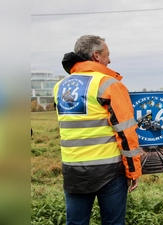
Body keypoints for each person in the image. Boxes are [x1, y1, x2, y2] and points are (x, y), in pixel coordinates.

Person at [53, 35, 142, 225]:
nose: (109, 60)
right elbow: (126, 132)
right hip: (109, 172)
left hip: (73, 171)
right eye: (107, 55)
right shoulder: (109, 84)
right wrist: (133, 171)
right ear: (96, 55)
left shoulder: (59, 87)